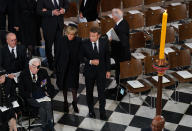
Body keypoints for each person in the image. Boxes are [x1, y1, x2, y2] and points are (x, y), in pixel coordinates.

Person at [80, 27, 110, 120]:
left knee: (101, 93)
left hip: (101, 71)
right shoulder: (84, 43)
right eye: (90, 36)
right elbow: (81, 57)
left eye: (93, 36)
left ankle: (102, 112)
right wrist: (90, 61)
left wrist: (108, 70)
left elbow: (107, 57)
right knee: (89, 92)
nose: (91, 38)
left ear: (99, 36)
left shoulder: (104, 42)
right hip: (89, 72)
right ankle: (91, 110)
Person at [18, 58, 56, 131]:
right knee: (45, 105)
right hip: (31, 98)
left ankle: (46, 127)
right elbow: (21, 92)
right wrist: (32, 94)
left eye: (39, 66)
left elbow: (50, 86)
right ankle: (49, 127)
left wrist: (48, 92)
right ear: (30, 66)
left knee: (46, 104)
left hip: (43, 97)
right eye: (35, 66)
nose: (37, 69)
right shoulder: (23, 74)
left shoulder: (43, 72)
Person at [55, 24, 81, 113]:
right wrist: (56, 68)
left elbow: (80, 54)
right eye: (69, 34)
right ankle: (65, 102)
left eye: (72, 34)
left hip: (73, 67)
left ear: (75, 34)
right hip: (63, 67)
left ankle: (75, 103)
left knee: (74, 87)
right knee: (64, 86)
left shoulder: (78, 40)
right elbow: (57, 54)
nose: (70, 36)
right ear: (66, 33)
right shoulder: (61, 40)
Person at [36, 0, 69, 70]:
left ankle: (57, 64)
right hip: (48, 27)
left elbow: (66, 3)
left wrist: (64, 9)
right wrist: (51, 12)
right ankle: (51, 64)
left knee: (58, 46)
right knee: (49, 47)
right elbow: (38, 11)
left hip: (59, 26)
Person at [110, 8, 131, 86]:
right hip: (120, 53)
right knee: (118, 70)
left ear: (116, 17)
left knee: (120, 71)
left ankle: (119, 86)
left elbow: (123, 43)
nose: (111, 16)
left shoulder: (121, 27)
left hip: (121, 54)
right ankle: (119, 83)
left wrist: (112, 39)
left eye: (112, 15)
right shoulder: (123, 22)